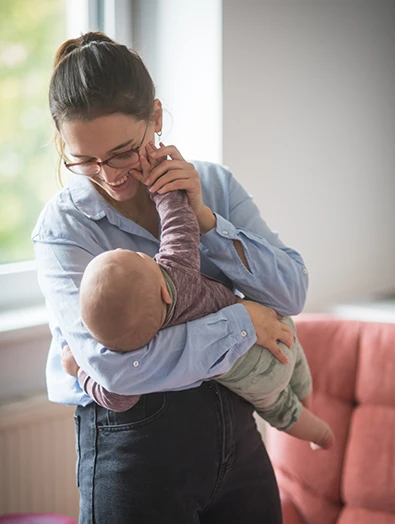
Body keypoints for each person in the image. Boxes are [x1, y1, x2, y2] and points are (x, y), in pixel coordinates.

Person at [32, 31, 310, 524]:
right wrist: (241, 320)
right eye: (84, 161)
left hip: (236, 436)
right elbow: (115, 369)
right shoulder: (63, 230)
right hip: (132, 453)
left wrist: (205, 221)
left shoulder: (216, 186)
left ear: (155, 119)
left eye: (122, 152)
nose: (108, 176)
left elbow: (292, 291)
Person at [67, 171, 333, 450]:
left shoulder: (140, 349)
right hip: (277, 333)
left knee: (283, 411)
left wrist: (81, 371)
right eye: (137, 256)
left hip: (254, 382)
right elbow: (179, 224)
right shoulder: (177, 273)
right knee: (298, 367)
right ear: (163, 289)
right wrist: (163, 188)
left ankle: (319, 435)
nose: (144, 253)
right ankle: (309, 401)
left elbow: (116, 395)